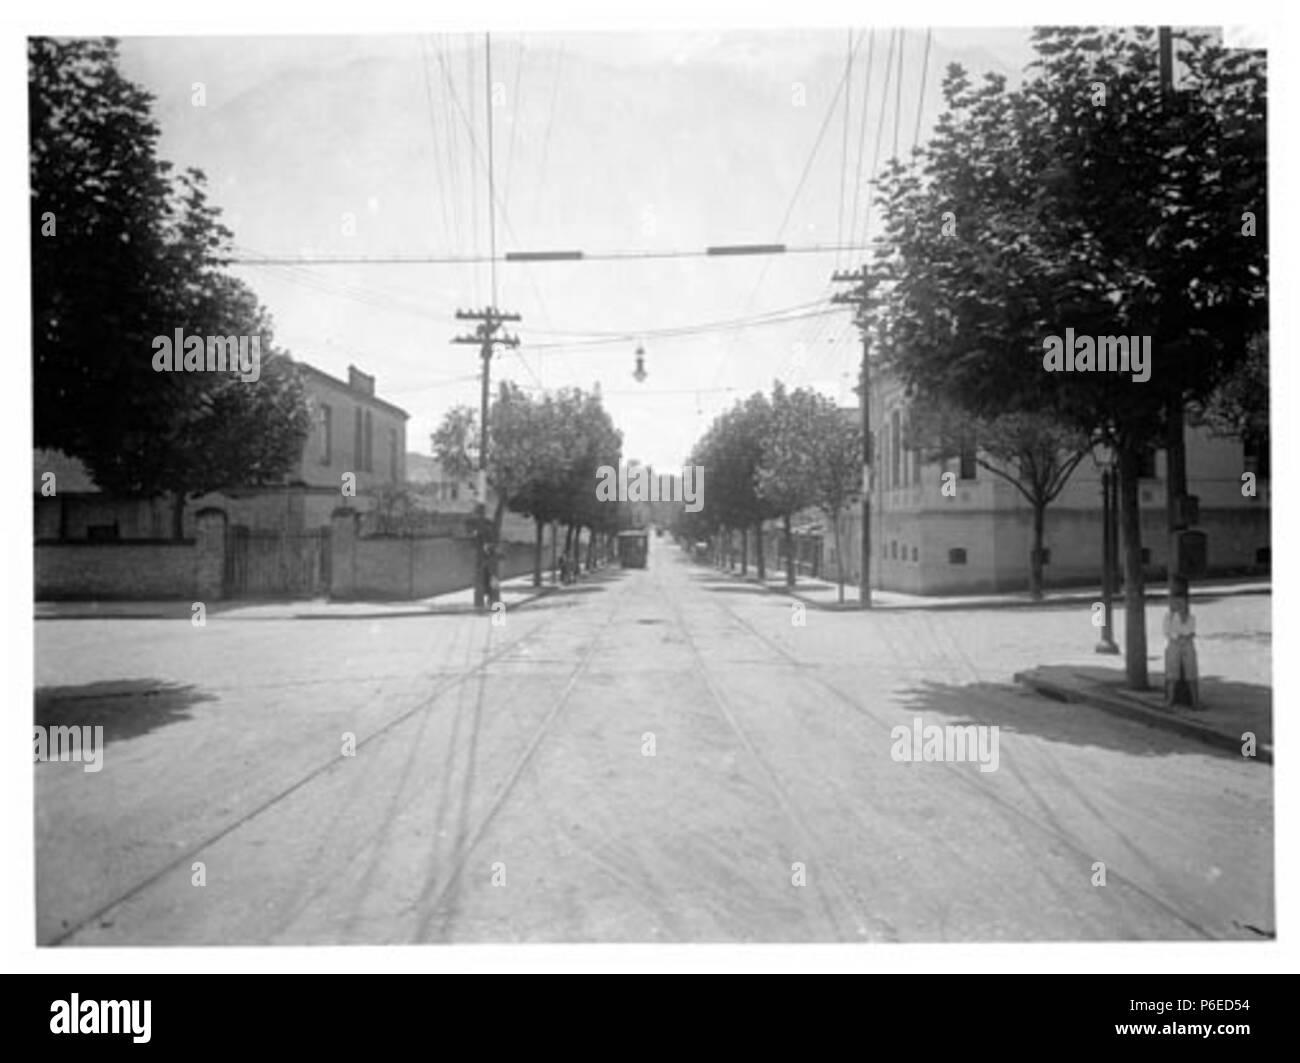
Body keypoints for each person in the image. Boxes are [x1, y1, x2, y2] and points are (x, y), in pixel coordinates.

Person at [1162, 595, 1199, 709]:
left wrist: (1184, 637)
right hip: (1174, 645)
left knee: (1191, 672)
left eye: (1182, 603)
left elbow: (1192, 632)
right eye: (1177, 603)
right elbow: (1167, 632)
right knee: (1172, 673)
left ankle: (1195, 702)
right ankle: (1170, 700)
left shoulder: (1191, 617)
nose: (1179, 606)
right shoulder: (1169, 617)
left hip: (1188, 645)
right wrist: (1179, 637)